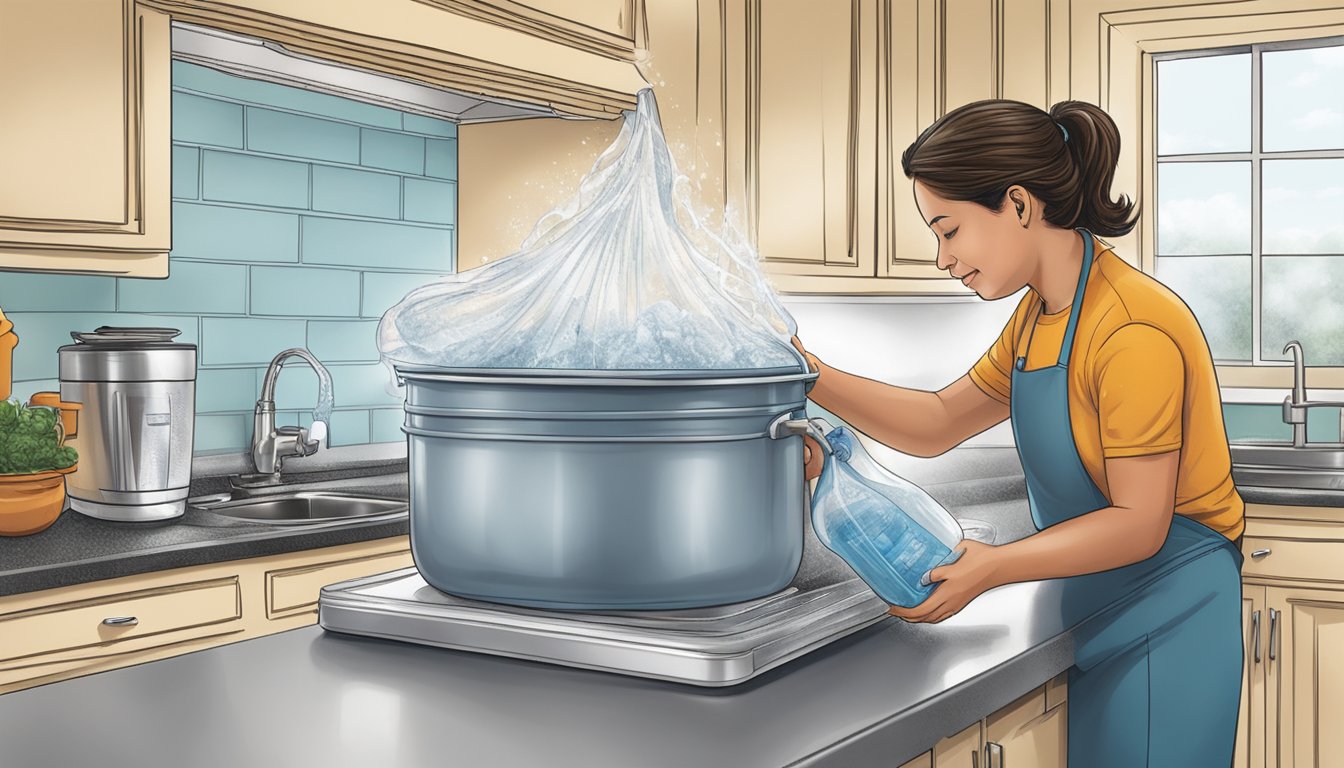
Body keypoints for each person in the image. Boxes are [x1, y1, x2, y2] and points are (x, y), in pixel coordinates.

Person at [792, 99, 1246, 767]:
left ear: (1019, 204)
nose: (943, 257)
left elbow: (1140, 523)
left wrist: (995, 566)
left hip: (1171, 609)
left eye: (949, 230)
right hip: (1098, 600)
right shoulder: (1040, 317)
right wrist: (812, 375)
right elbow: (940, 421)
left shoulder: (1130, 329)